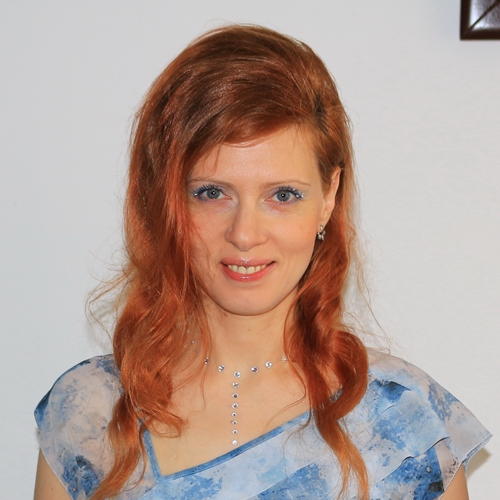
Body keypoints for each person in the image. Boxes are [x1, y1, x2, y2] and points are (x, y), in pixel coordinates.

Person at [33, 25, 490, 500]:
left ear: (329, 197)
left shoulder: (402, 422)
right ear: (166, 202)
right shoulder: (89, 411)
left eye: (283, 195)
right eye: (211, 193)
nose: (245, 234)